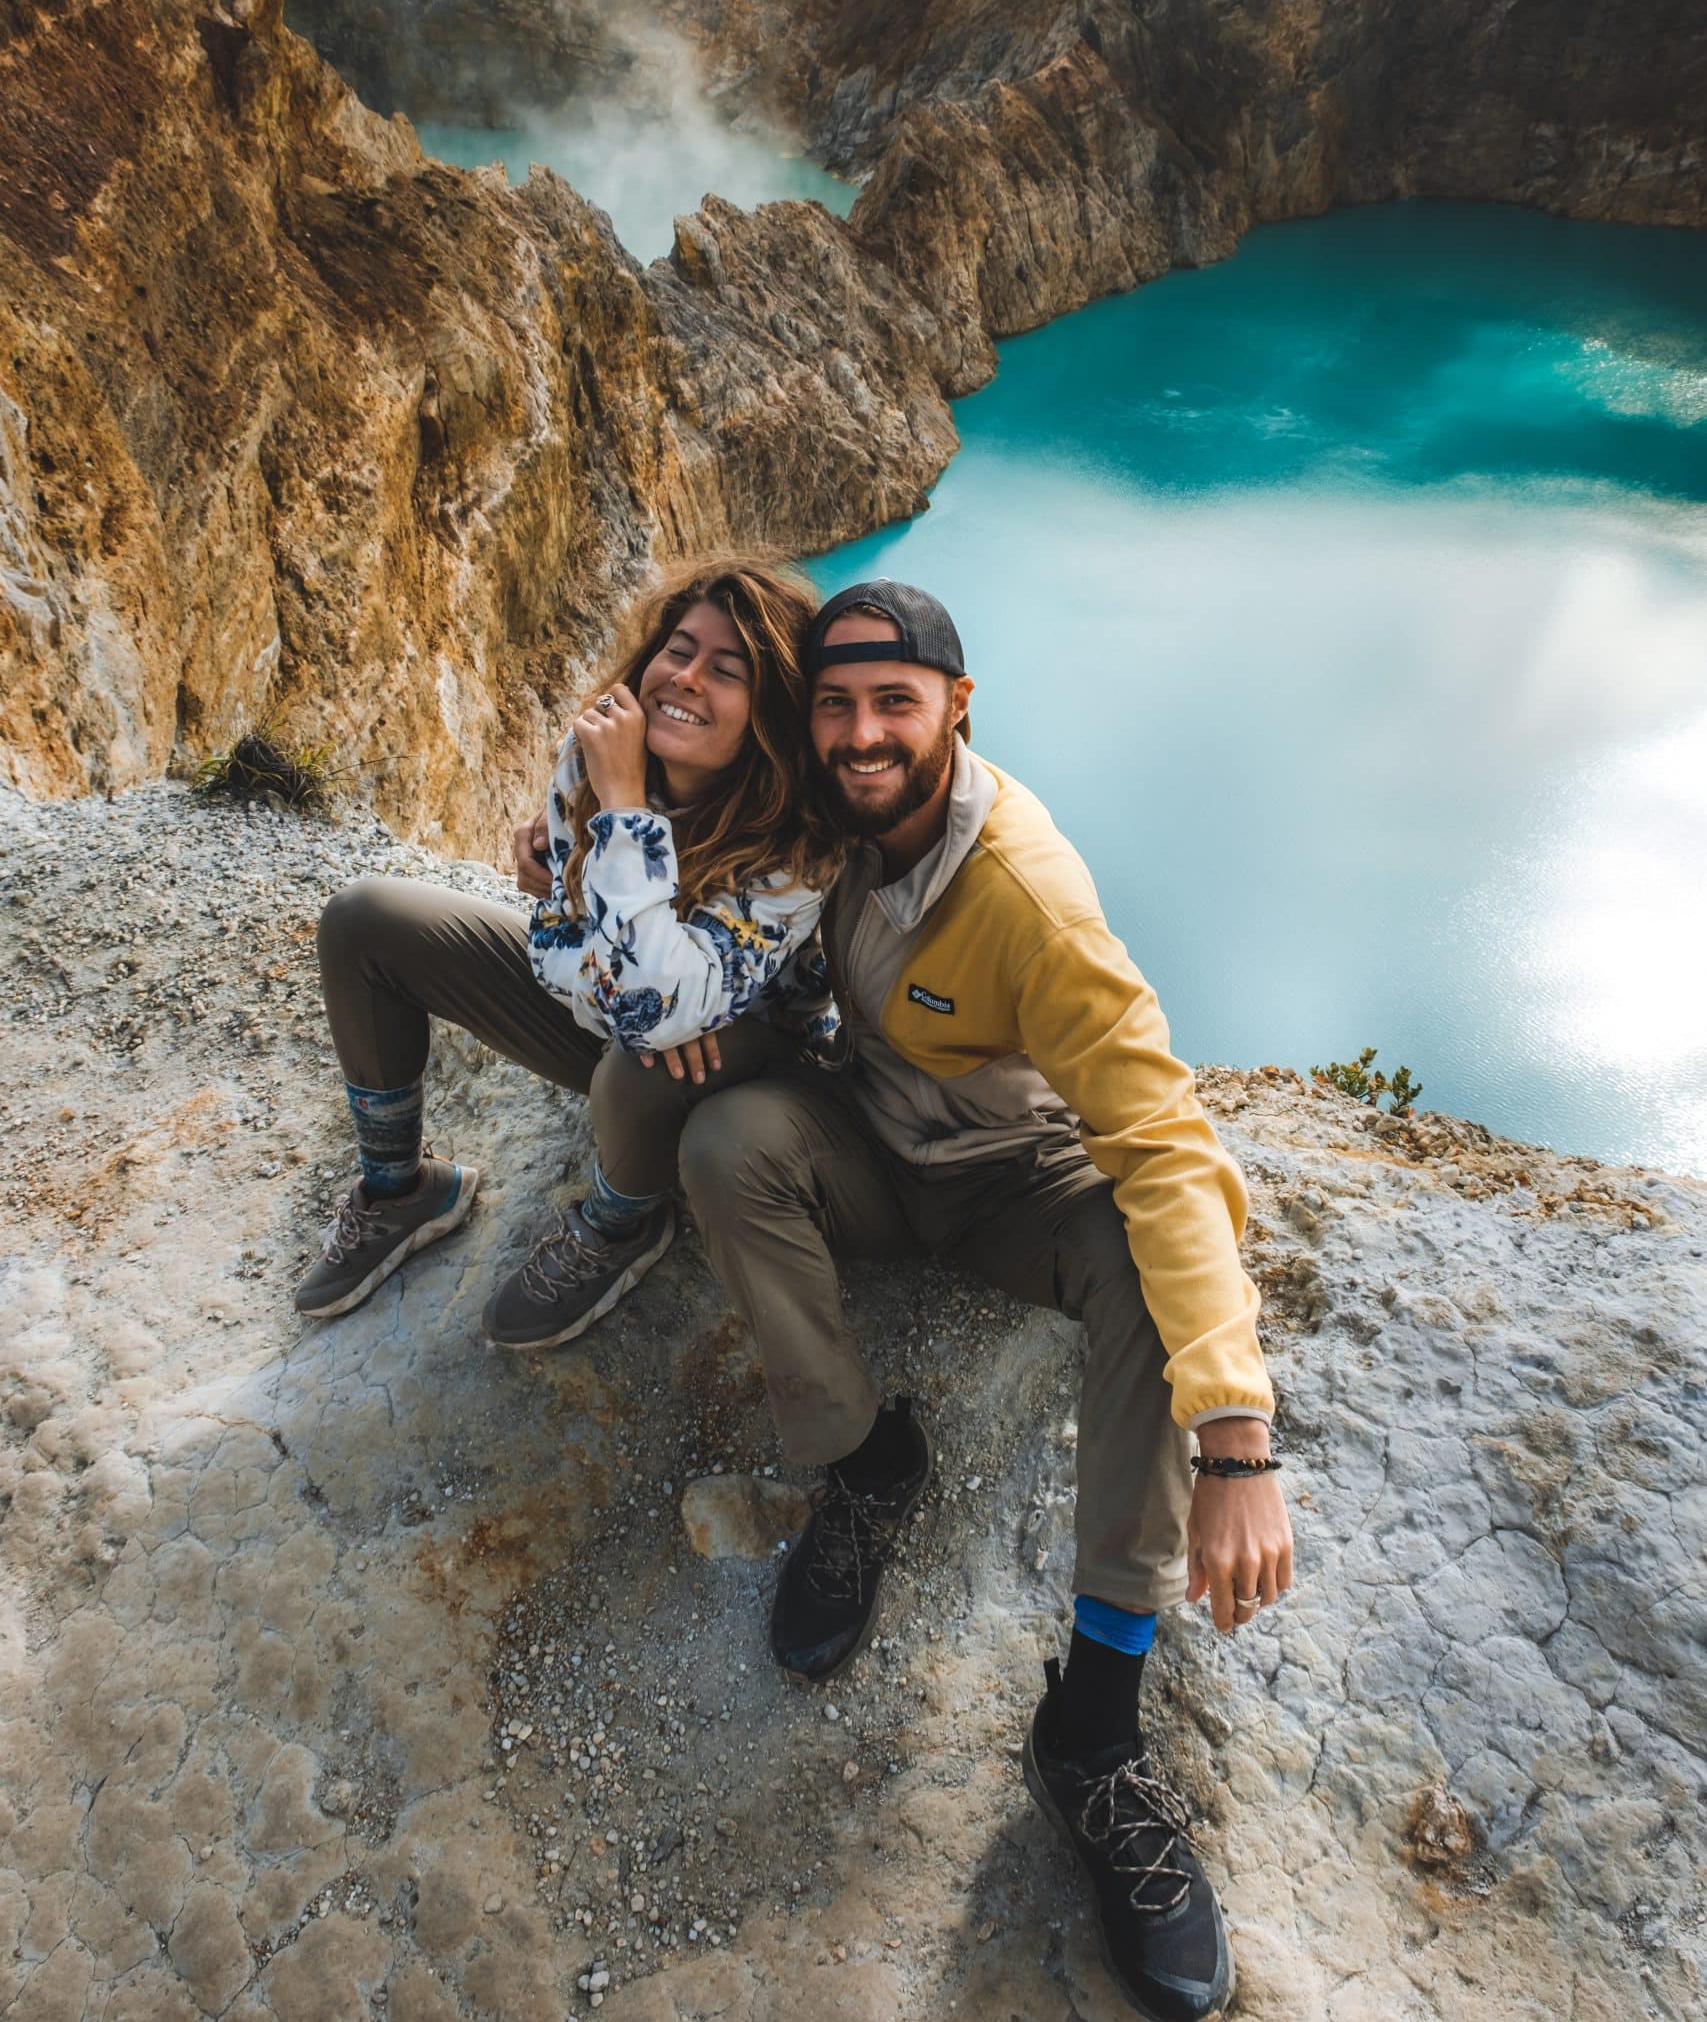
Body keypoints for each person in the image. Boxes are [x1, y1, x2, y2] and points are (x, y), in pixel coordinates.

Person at [589, 578, 1291, 2022]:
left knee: (1135, 1265)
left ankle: (1092, 1731)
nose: (861, 736)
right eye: (835, 706)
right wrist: (570, 837)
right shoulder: (824, 820)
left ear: (956, 711)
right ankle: (868, 1463)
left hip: (1011, 1185)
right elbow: (689, 816)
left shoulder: (1025, 894)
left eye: (893, 705)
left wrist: (1235, 1440)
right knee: (728, 1143)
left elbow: (1165, 1144)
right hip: (868, 1143)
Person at [295, 559, 841, 1339]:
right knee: (364, 920)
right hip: (614, 1020)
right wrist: (635, 988)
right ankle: (401, 1187)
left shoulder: (798, 842)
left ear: (772, 714)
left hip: (746, 1061)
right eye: (678, 650)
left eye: (728, 672)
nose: (686, 678)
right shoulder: (594, 754)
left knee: (644, 1060)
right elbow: (556, 945)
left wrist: (622, 817)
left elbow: (639, 1005)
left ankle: (620, 1226)